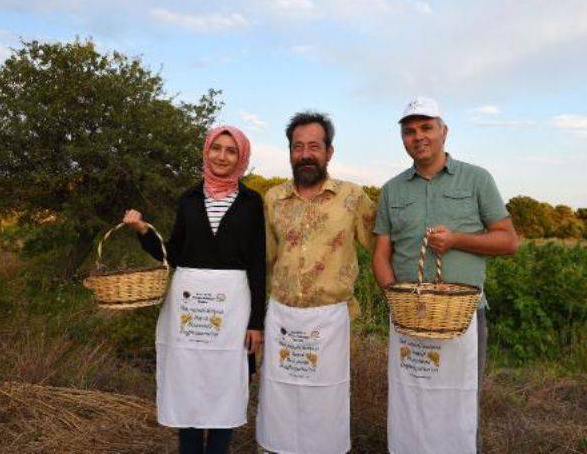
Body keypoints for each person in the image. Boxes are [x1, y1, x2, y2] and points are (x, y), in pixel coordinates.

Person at [372, 98, 519, 454]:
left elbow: (508, 240)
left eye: (426, 128)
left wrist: (456, 240)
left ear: (443, 131)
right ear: (402, 138)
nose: (418, 136)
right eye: (409, 131)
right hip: (409, 317)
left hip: (464, 317)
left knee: (461, 402)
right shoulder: (392, 190)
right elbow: (380, 255)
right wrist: (397, 299)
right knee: (412, 399)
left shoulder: (476, 179)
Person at [123, 125, 265, 454]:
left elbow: (258, 264)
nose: (222, 156)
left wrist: (256, 322)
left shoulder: (250, 202)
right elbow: (172, 254)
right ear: (207, 150)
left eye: (231, 151)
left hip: (232, 310)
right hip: (189, 309)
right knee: (188, 382)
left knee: (225, 384)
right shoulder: (188, 199)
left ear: (241, 157)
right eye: (217, 148)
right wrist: (142, 230)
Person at [255, 111, 377, 454]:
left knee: (326, 401)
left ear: (329, 152)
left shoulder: (352, 197)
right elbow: (263, 257)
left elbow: (384, 243)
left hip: (330, 321)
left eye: (314, 146)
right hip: (283, 318)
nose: (305, 154)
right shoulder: (273, 198)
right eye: (298, 147)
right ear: (290, 151)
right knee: (281, 396)